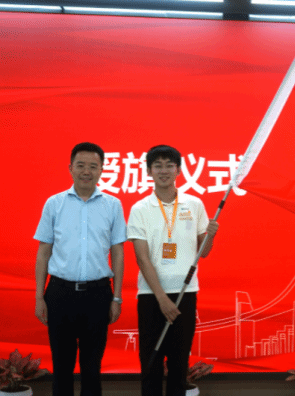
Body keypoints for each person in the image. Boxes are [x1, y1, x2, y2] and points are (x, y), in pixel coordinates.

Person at [34, 142, 126, 396]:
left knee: (92, 366)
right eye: (81, 165)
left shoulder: (113, 205)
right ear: (70, 168)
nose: (87, 171)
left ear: (102, 170)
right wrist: (39, 296)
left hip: (98, 294)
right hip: (60, 293)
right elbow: (43, 252)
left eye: (93, 166)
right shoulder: (54, 203)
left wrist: (117, 297)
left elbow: (118, 252)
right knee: (62, 365)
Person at [127, 145, 219, 396]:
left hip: (185, 294)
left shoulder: (194, 204)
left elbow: (203, 252)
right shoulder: (140, 208)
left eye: (169, 165)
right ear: (149, 171)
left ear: (178, 170)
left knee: (179, 364)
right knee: (151, 362)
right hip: (151, 296)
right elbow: (142, 258)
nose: (164, 170)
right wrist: (161, 298)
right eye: (158, 165)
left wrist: (210, 235)